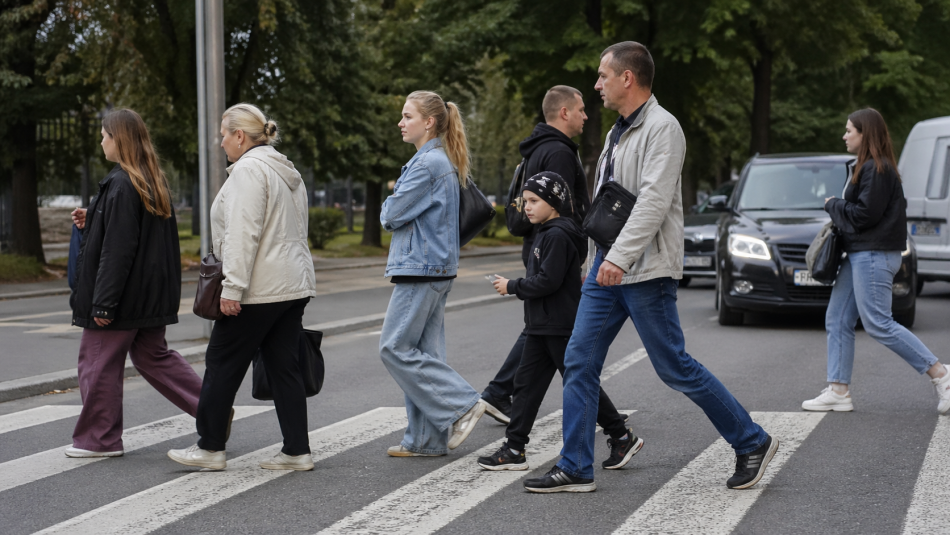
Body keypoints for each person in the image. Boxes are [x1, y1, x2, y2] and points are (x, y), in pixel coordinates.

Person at [524, 42, 776, 494]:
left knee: (674, 367)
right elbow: (608, 202)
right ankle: (576, 466)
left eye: (603, 76)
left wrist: (618, 257)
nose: (596, 85)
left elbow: (654, 202)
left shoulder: (664, 129)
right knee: (578, 360)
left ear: (628, 78)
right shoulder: (616, 132)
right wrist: (598, 258)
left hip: (644, 268)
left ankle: (752, 440)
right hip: (609, 266)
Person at [167, 103, 317, 471]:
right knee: (285, 367)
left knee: (221, 362)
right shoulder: (285, 170)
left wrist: (232, 289)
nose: (220, 142)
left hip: (258, 289)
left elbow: (242, 233)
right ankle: (297, 451)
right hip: (292, 285)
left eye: (223, 134)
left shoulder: (249, 171)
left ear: (239, 135)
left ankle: (210, 447)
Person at [477, 172, 642, 472]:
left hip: (558, 325)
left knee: (578, 384)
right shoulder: (547, 231)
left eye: (534, 201)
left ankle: (620, 435)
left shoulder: (557, 234)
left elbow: (548, 282)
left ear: (553, 203)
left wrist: (512, 286)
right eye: (525, 201)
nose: (526, 207)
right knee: (526, 386)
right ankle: (515, 448)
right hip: (542, 325)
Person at [66, 109, 203, 457]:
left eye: (104, 135)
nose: (101, 140)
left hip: (120, 298)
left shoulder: (122, 184)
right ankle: (211, 409)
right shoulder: (148, 180)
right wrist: (92, 218)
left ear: (119, 139)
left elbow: (118, 250)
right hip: (148, 296)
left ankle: (100, 440)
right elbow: (135, 240)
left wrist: (103, 303)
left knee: (96, 363)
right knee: (154, 357)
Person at [802, 108, 950, 413]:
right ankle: (838, 390)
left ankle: (942, 376)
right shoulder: (866, 167)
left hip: (874, 254)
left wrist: (834, 205)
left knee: (879, 323)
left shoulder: (877, 169)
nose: (844, 136)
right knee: (838, 319)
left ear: (864, 133)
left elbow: (864, 215)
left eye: (849, 131)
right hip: (860, 253)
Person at [379, 90, 501, 457]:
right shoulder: (439, 160)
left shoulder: (427, 164)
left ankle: (464, 404)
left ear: (428, 122)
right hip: (435, 266)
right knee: (423, 354)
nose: (401, 123)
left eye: (407, 116)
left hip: (421, 267)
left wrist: (391, 197)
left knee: (394, 347)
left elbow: (390, 215)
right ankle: (426, 441)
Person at [480, 86, 593, 422]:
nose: (586, 116)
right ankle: (610, 422)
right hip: (555, 249)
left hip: (541, 247)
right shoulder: (558, 151)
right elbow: (561, 208)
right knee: (551, 328)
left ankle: (501, 395)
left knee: (543, 326)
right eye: (581, 109)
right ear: (564, 113)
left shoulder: (538, 148)